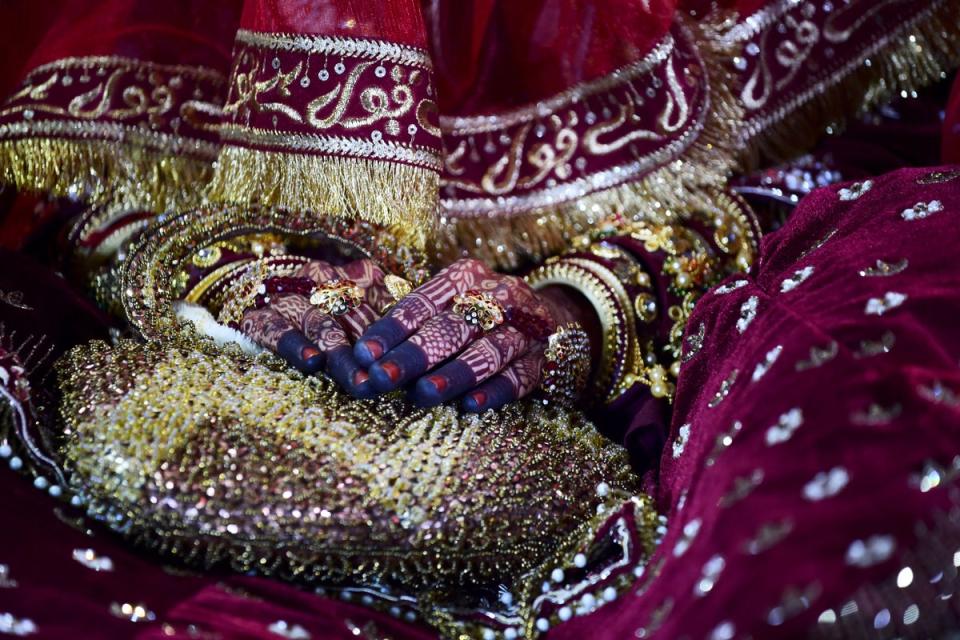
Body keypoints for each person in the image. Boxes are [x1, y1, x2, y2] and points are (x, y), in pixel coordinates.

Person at [1, 1, 959, 638]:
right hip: (223, 365)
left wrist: (592, 302)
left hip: (729, 302)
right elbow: (94, 153)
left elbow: (855, 143)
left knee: (845, 509)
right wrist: (223, 266)